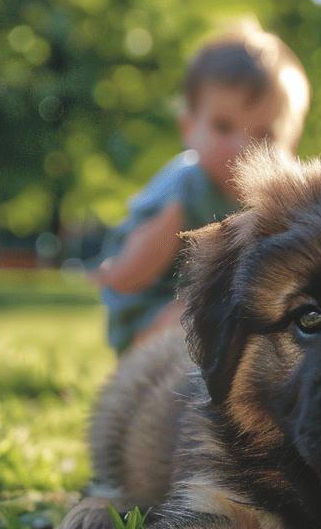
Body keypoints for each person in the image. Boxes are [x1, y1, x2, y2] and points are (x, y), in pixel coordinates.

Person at [95, 23, 310, 355]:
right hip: (155, 312)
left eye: (265, 134)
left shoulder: (281, 200)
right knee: (189, 319)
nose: (243, 147)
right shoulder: (183, 185)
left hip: (228, 312)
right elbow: (126, 277)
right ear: (189, 129)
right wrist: (163, 229)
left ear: (292, 143)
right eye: (223, 127)